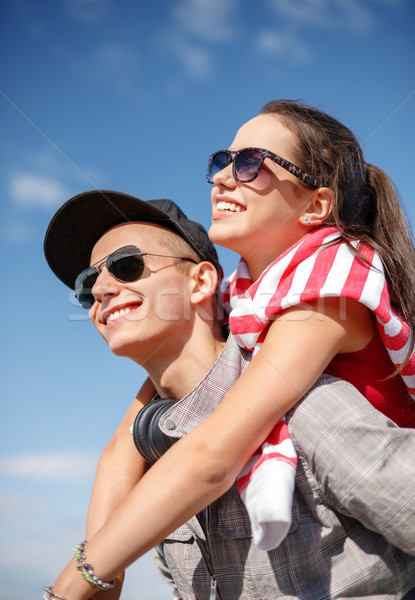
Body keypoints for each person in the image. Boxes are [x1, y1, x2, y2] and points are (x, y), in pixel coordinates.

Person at [42, 189, 415, 600]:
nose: (100, 291)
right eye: (87, 283)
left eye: (126, 265)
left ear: (201, 281)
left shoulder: (305, 408)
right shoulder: (150, 466)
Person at [206, 98, 415, 551]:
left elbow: (212, 456)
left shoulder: (331, 286)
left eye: (250, 163)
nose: (222, 177)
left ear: (316, 205)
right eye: (222, 160)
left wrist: (89, 569)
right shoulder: (240, 295)